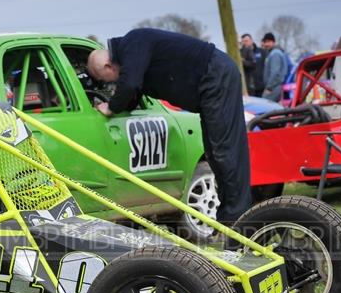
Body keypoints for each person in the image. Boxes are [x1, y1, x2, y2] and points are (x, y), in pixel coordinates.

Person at [86, 28, 252, 227]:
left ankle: (240, 225)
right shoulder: (133, 56)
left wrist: (110, 107)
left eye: (105, 81)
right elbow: (133, 92)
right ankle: (231, 221)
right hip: (210, 82)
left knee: (225, 152)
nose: (111, 85)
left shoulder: (133, 43)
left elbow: (129, 84)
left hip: (215, 74)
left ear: (107, 66)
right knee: (215, 153)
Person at [260, 33, 289, 103]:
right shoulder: (273, 53)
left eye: (268, 42)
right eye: (265, 42)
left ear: (273, 42)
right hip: (275, 86)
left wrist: (269, 88)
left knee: (265, 105)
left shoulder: (275, 54)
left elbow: (275, 73)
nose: (266, 44)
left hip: (274, 87)